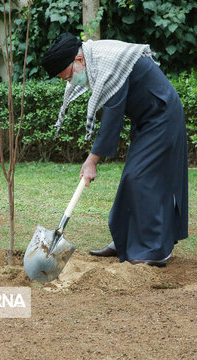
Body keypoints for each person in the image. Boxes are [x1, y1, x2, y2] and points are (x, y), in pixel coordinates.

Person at [41, 33, 188, 267]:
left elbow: (112, 116)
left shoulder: (108, 62)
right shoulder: (95, 59)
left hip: (162, 116)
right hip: (147, 119)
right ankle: (126, 241)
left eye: (67, 76)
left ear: (79, 59)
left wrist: (91, 161)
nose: (69, 82)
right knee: (132, 177)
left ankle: (156, 251)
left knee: (139, 177)